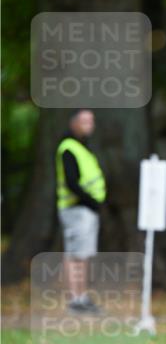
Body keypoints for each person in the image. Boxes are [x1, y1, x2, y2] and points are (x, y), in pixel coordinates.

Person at [55, 109, 106, 313]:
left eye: (91, 121)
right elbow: (71, 182)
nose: (89, 125)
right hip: (76, 209)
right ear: (73, 123)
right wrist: (91, 201)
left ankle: (82, 297)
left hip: (86, 210)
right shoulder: (69, 148)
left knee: (82, 255)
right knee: (75, 255)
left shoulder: (83, 148)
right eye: (85, 121)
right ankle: (75, 299)